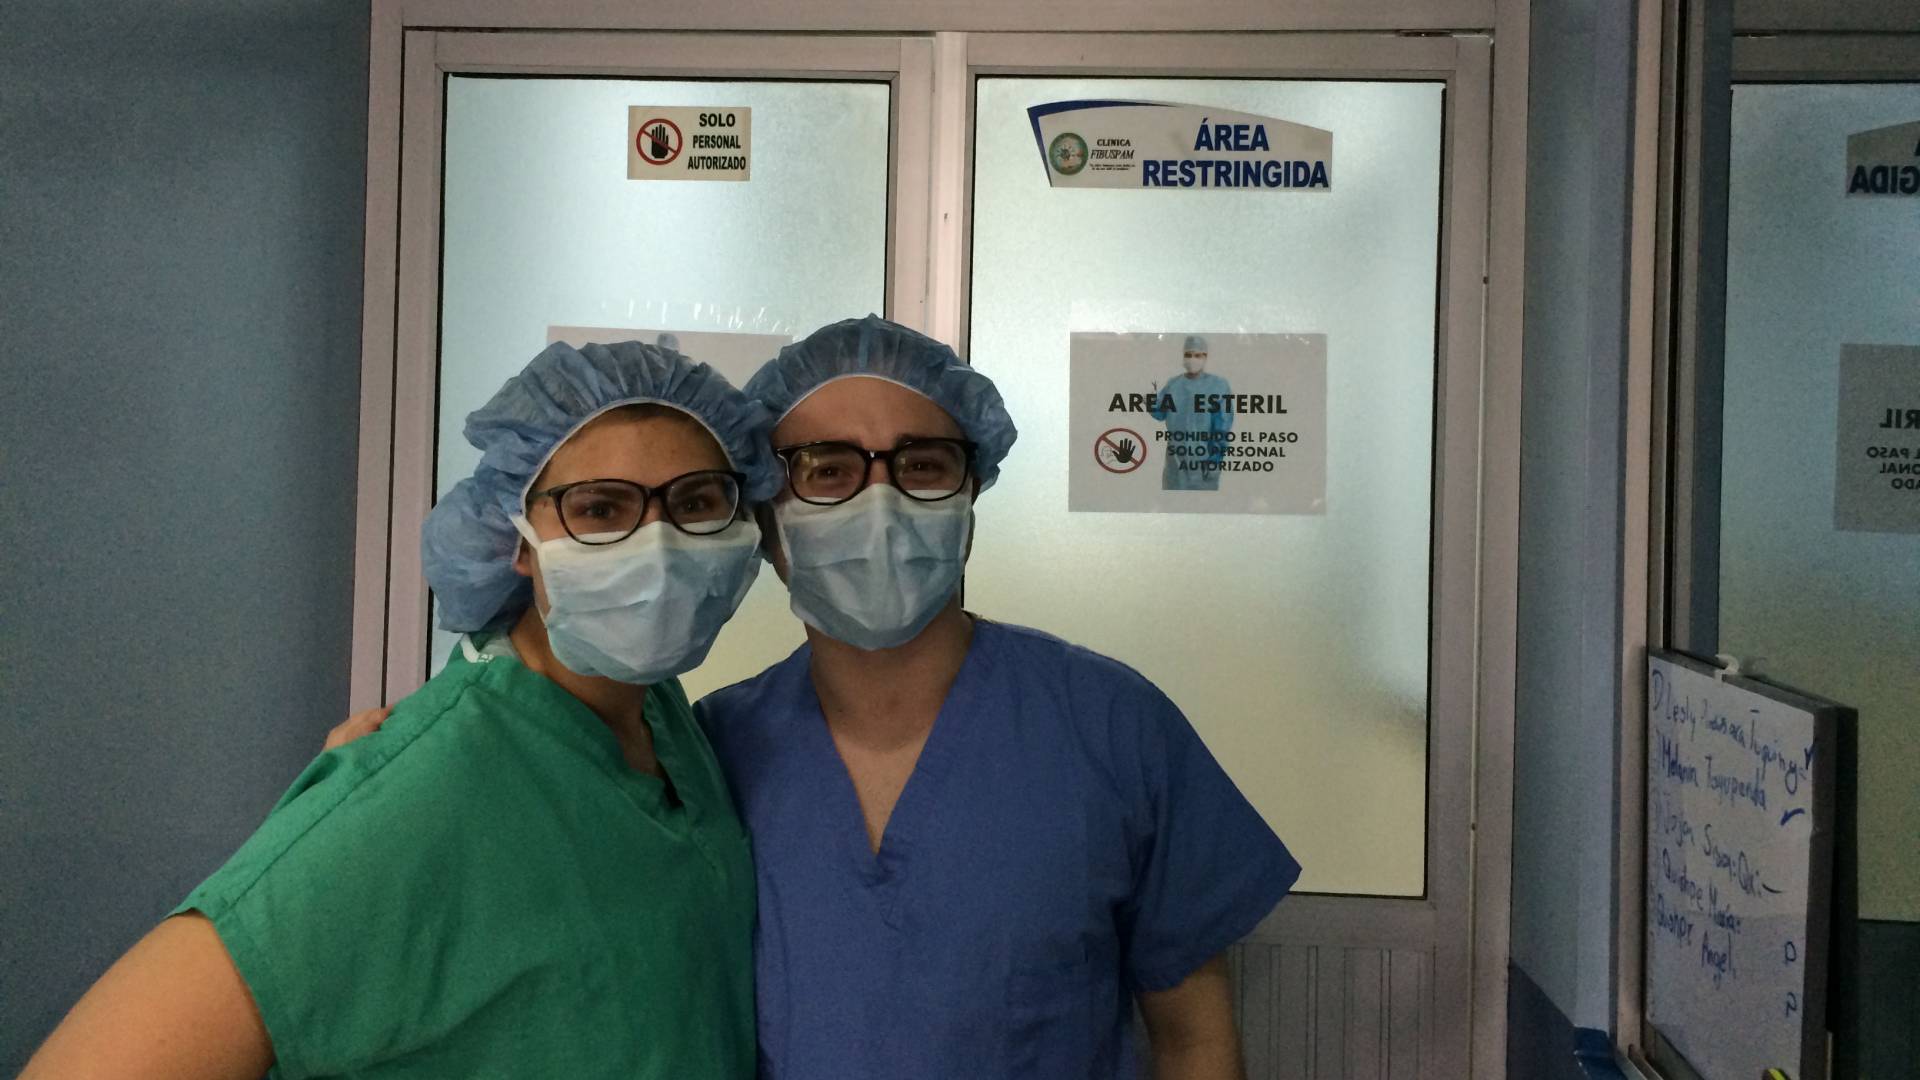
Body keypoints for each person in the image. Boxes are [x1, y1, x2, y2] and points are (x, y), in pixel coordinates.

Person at [22, 341, 774, 1079]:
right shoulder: (417, 793)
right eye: (600, 509)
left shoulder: (665, 724)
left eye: (696, 503)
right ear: (518, 540)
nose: (660, 547)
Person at [700, 315, 1299, 1079]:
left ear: (971, 490)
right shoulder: (713, 751)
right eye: (827, 469)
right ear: (764, 514)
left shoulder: (1110, 728)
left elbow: (1194, 1042)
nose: (878, 504)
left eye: (921, 464)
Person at [1147, 333, 1233, 491]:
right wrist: (1151, 395)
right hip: (1175, 460)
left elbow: (1223, 426)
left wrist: (1215, 460)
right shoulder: (1173, 384)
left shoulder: (1218, 386)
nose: (1192, 359)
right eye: (1188, 354)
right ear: (1183, 356)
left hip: (1204, 459)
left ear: (1205, 357)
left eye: (1197, 355)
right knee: (1173, 507)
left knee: (1203, 509)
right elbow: (1159, 413)